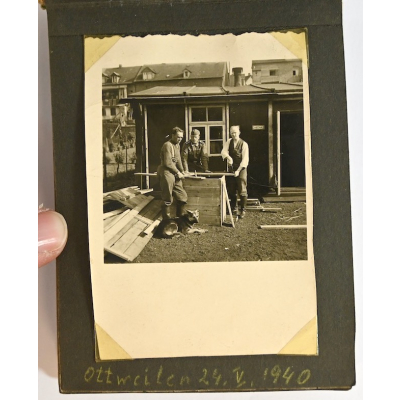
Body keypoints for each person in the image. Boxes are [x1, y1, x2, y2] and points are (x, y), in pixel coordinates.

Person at [157, 127, 188, 220]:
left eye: (181, 137)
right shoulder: (167, 145)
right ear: (173, 135)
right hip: (166, 172)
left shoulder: (177, 145)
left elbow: (178, 159)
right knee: (167, 198)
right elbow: (168, 163)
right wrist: (178, 172)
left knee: (182, 196)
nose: (180, 139)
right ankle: (167, 222)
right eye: (178, 137)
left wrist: (182, 171)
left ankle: (180, 220)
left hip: (174, 172)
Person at [221, 125, 249, 219]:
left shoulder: (244, 144)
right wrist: (228, 157)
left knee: (242, 189)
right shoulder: (229, 142)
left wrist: (238, 170)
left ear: (239, 132)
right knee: (231, 189)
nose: (233, 134)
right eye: (232, 133)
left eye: (235, 132)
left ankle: (243, 210)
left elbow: (245, 160)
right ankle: (234, 208)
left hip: (241, 169)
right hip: (231, 169)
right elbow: (223, 152)